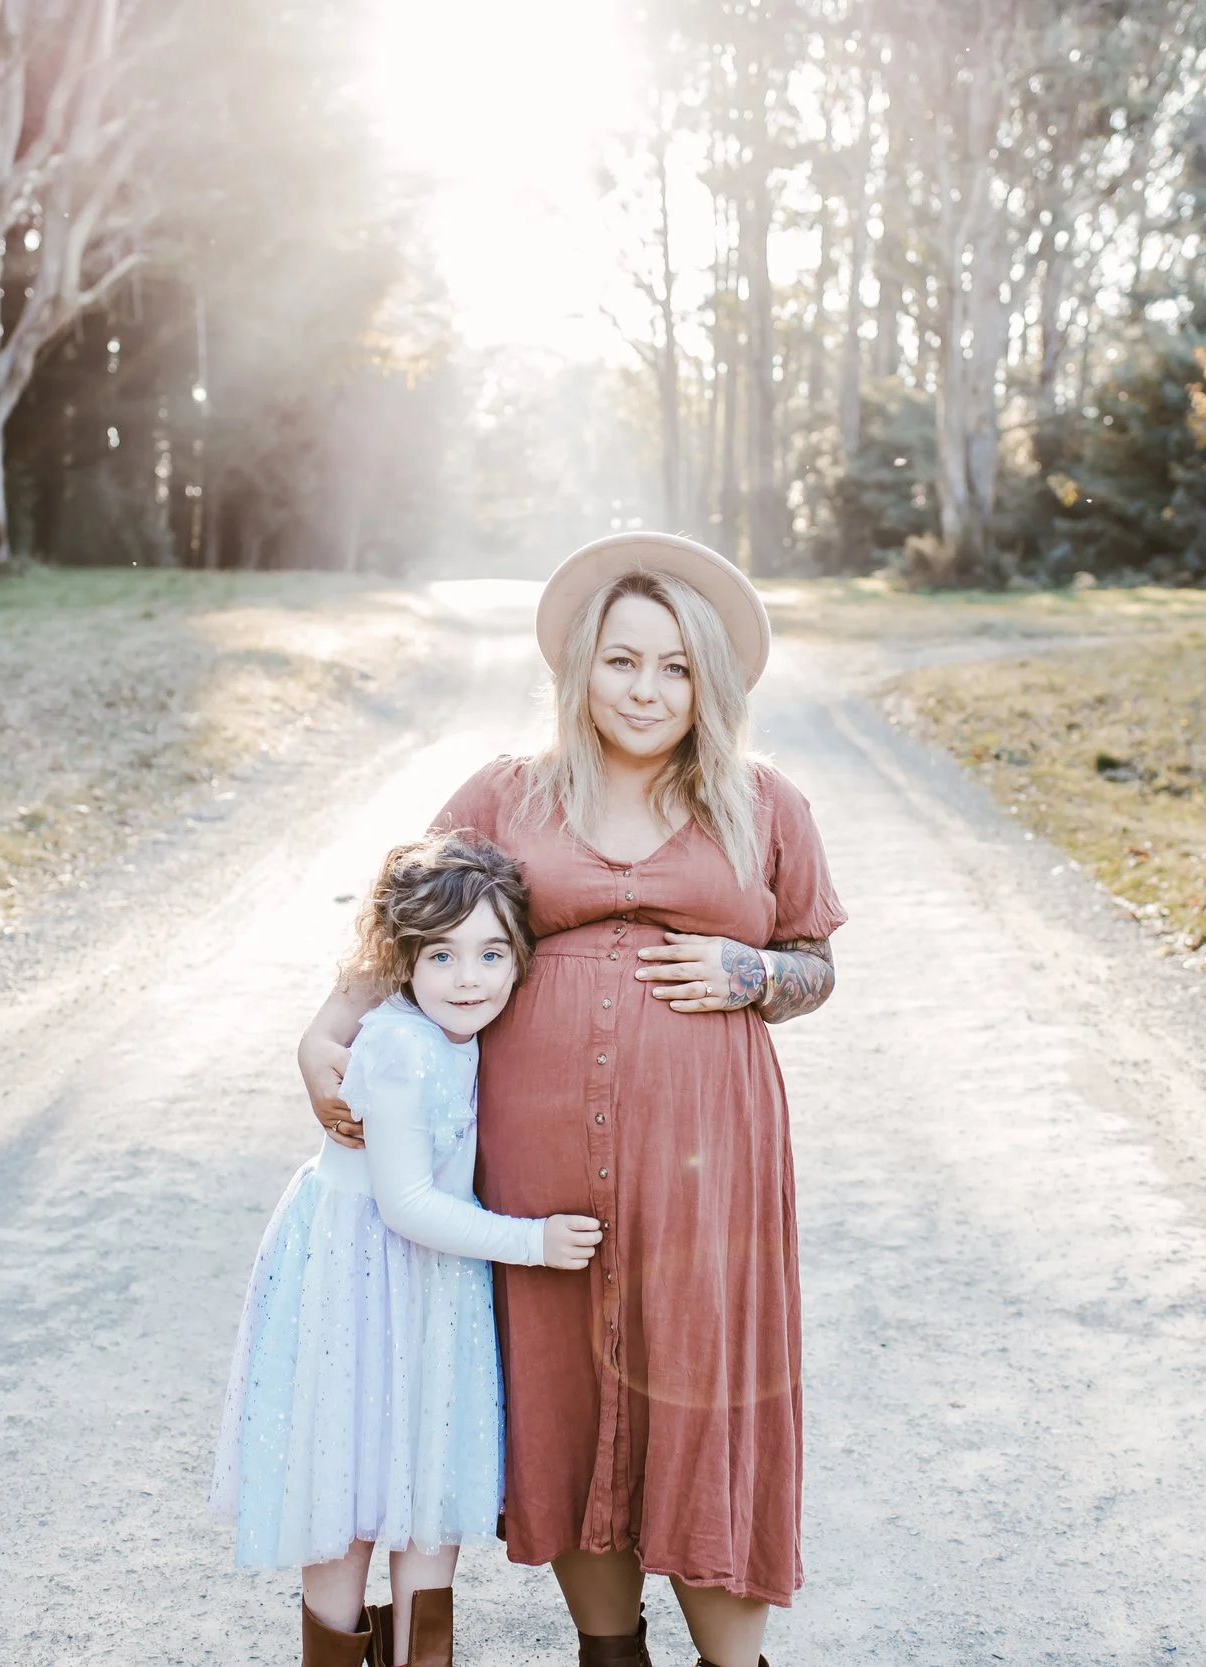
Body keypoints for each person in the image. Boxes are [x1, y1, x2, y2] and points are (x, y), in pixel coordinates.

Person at [298, 534, 844, 1667]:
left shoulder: (763, 802)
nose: (646, 691)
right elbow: (407, 926)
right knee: (567, 1386)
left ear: (712, 682)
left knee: (702, 1387)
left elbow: (813, 963)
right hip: (533, 1156)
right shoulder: (506, 791)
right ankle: (610, 1649)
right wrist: (326, 1025)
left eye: (677, 668)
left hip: (709, 1163)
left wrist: (754, 973)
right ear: (580, 670)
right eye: (621, 662)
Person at [214, 834, 605, 1667]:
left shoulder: (463, 1035)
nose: (470, 977)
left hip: (429, 1285)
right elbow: (407, 1204)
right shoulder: (395, 1046)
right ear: (403, 959)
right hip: (359, 1276)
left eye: (493, 952)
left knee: (428, 1479)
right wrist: (531, 1241)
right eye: (443, 953)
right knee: (348, 1481)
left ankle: (423, 1655)